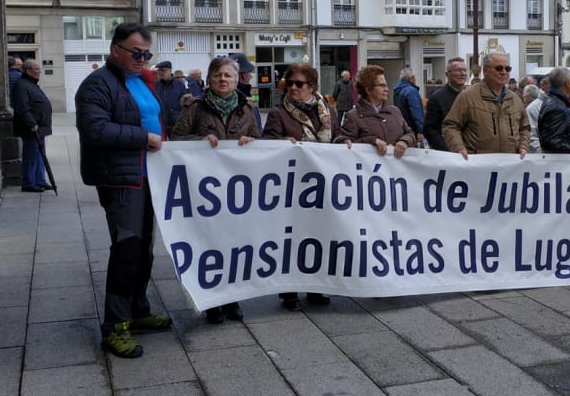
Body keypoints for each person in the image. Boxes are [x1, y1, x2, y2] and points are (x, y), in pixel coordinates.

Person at [75, 22, 171, 359]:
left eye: (147, 53)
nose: (143, 59)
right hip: (121, 180)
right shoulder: (97, 84)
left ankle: (138, 309)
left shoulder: (140, 81)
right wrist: (143, 139)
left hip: (148, 178)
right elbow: (95, 129)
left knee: (144, 247)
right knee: (127, 249)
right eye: (136, 52)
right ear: (116, 49)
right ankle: (115, 326)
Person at [172, 56, 259, 323]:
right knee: (210, 243)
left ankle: (233, 298)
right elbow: (174, 139)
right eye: (218, 75)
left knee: (235, 244)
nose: (223, 79)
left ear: (236, 80)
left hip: (237, 190)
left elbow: (261, 140)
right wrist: (197, 140)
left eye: (229, 76)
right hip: (205, 190)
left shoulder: (247, 109)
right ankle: (212, 300)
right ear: (209, 79)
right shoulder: (194, 107)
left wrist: (251, 141)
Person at [263, 63, 341, 310]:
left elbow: (336, 136)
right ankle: (289, 291)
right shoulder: (278, 113)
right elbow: (267, 142)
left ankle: (316, 286)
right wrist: (281, 142)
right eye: (290, 83)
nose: (293, 88)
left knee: (319, 236)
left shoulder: (327, 111)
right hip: (293, 186)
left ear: (312, 87)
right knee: (292, 237)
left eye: (299, 84)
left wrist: (345, 141)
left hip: (322, 185)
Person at [442, 52, 530, 158]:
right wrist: (459, 148)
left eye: (507, 69)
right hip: (478, 165)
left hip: (509, 166)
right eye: (498, 68)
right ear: (485, 71)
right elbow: (450, 126)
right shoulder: (468, 97)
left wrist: (523, 146)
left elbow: (524, 127)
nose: (504, 72)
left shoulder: (515, 99)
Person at [336, 65, 414, 157]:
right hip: (368, 170)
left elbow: (410, 134)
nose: (387, 89)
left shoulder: (395, 111)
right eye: (382, 85)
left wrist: (404, 141)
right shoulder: (353, 116)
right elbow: (346, 145)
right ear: (368, 90)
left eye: (386, 85)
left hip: (396, 170)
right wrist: (371, 141)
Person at [11, 59, 52, 193]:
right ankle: (29, 183)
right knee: (31, 155)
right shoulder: (22, 85)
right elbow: (23, 108)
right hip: (32, 128)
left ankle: (40, 180)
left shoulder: (31, 84)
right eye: (36, 69)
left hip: (40, 127)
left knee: (40, 154)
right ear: (28, 71)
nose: (39, 72)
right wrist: (32, 124)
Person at [537, 67, 570, 155]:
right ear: (567, 82)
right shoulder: (556, 106)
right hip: (563, 164)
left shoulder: (560, 102)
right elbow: (552, 142)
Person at [422, 58, 469, 151]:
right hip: (450, 153)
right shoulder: (437, 98)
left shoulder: (471, 95)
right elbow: (430, 129)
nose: (462, 73)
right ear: (447, 74)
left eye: (464, 70)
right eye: (458, 70)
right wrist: (446, 150)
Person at [153, 60, 188, 131]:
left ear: (170, 70)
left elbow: (185, 103)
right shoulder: (156, 85)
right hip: (160, 122)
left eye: (163, 70)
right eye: (159, 70)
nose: (161, 73)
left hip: (176, 123)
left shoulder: (179, 85)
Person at [393, 67, 424, 138]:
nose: (416, 79)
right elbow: (416, 112)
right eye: (415, 77)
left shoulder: (397, 90)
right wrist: (421, 131)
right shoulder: (411, 91)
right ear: (411, 78)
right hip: (412, 129)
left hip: (402, 127)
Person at [523, 84, 542, 153]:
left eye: (524, 93)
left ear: (529, 95)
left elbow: (531, 134)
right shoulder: (540, 104)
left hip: (537, 151)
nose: (523, 95)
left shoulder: (530, 108)